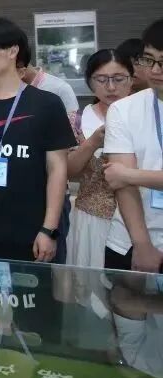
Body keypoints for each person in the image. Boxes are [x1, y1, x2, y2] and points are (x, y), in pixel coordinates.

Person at [0, 18, 74, 262]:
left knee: (38, 287)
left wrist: (49, 229)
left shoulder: (47, 104)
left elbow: (58, 169)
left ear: (13, 51)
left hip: (32, 232)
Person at [101, 18, 163, 273]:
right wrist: (143, 244)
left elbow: (121, 176)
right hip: (130, 240)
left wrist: (129, 174)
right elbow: (121, 186)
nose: (155, 70)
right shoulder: (123, 109)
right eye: (149, 60)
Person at [65, 49, 134, 270]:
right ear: (90, 82)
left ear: (132, 79)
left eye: (118, 79)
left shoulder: (146, 116)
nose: (111, 87)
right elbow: (68, 171)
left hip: (139, 220)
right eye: (102, 80)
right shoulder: (77, 120)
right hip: (91, 219)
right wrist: (93, 141)